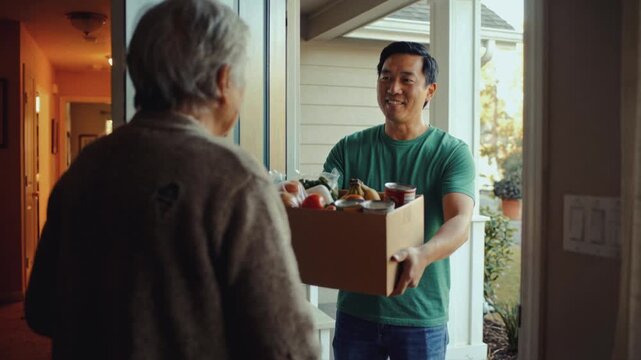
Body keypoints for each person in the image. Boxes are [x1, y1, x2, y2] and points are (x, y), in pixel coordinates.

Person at [24, 0, 319, 359]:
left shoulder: (86, 166)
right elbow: (288, 348)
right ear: (223, 80)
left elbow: (40, 312)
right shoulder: (234, 178)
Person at [323, 41, 475, 360]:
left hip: (420, 316)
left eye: (406, 79)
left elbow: (459, 222)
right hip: (356, 312)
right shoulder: (348, 150)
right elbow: (323, 207)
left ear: (429, 90)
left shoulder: (450, 153)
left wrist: (422, 254)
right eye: (385, 77)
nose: (393, 88)